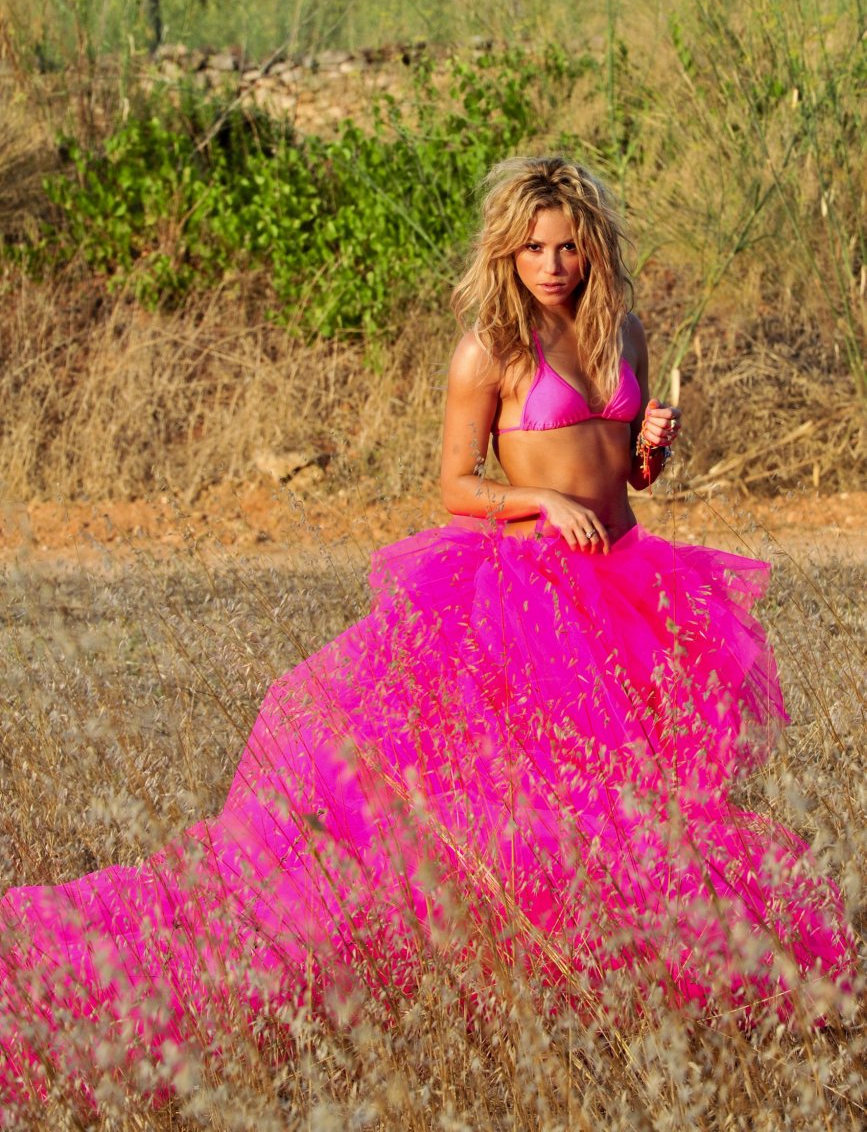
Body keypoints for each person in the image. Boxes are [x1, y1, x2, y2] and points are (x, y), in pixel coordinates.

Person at [0, 156, 854, 1114]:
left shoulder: (623, 331)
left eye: (567, 246)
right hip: (535, 593)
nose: (552, 265)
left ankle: (633, 975)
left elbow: (624, 475)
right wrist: (537, 499)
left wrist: (651, 452)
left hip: (629, 581)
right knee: (537, 795)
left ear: (594, 246)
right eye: (532, 248)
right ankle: (513, 964)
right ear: (507, 253)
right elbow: (454, 485)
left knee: (637, 800)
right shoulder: (488, 350)